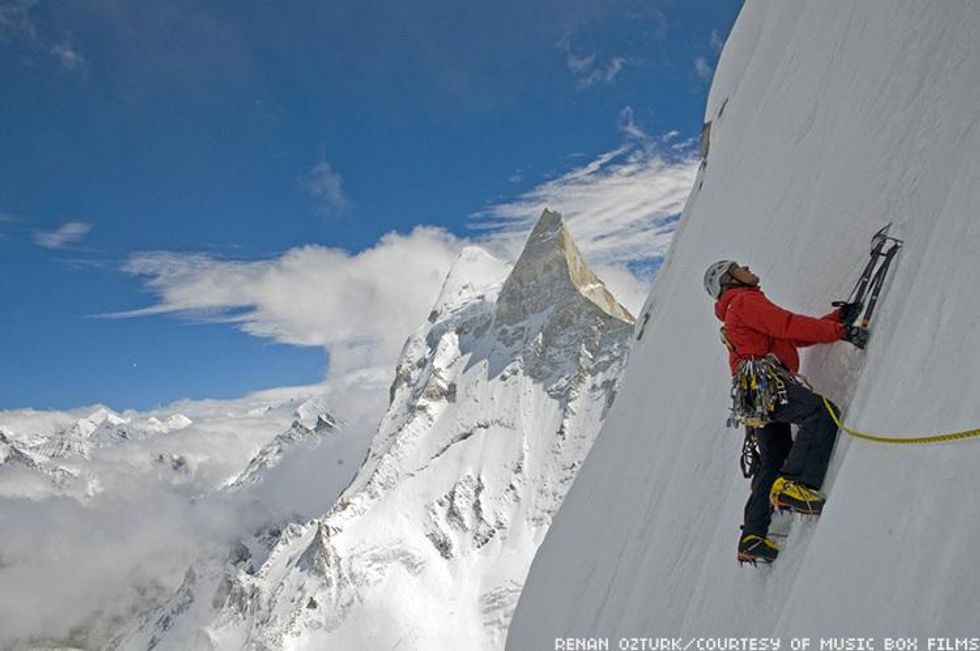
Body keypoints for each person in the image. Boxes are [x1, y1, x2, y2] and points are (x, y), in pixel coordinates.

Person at [703, 260, 867, 564]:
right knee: (821, 413)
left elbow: (788, 335)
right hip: (767, 383)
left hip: (754, 394)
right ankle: (796, 485)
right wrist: (842, 331)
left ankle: (752, 536)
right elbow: (788, 325)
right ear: (729, 280)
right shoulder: (744, 301)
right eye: (738, 267)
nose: (747, 267)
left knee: (773, 458)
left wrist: (834, 320)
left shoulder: (735, 310)